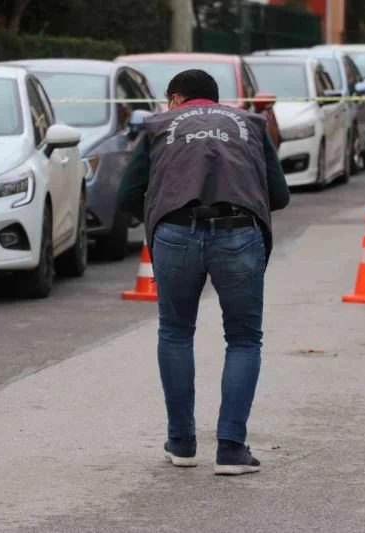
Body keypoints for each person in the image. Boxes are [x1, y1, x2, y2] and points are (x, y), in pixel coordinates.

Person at [116, 70, 289, 475]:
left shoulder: (158, 126)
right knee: (243, 339)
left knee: (176, 333)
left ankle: (181, 443)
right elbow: (279, 195)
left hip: (175, 233)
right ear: (215, 98)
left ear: (176, 99)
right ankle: (230, 448)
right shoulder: (250, 124)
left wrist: (162, 213)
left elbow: (126, 195)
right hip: (239, 233)